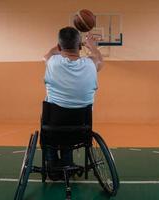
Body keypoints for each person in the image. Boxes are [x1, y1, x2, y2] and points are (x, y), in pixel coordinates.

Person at [43, 26, 103, 180]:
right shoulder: (91, 65)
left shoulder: (52, 62)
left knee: (52, 121)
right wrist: (92, 47)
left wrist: (59, 46)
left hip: (52, 127)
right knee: (70, 122)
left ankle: (52, 164)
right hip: (81, 130)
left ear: (58, 46)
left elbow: (47, 54)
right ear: (80, 46)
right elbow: (99, 60)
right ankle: (67, 164)